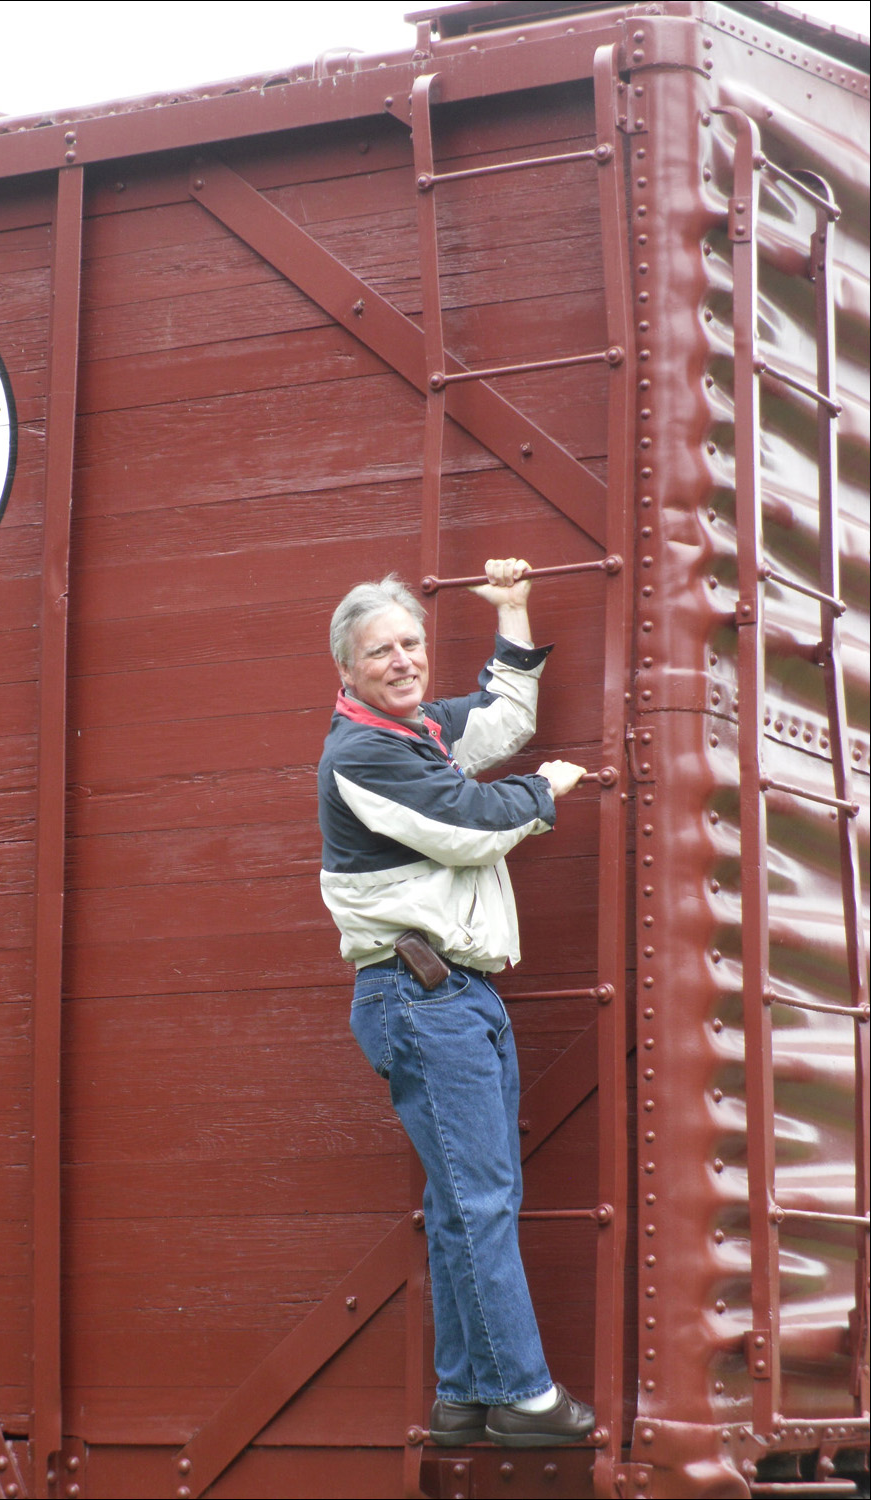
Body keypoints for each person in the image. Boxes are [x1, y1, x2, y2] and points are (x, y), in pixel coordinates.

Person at [317, 557, 595, 1448]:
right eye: (379, 652)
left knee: (462, 1201)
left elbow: (501, 718)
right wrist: (543, 792)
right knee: (478, 1198)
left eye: (411, 644)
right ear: (346, 672)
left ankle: (465, 1396)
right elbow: (471, 827)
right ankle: (520, 1396)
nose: (402, 661)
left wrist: (512, 610)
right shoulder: (363, 752)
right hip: (420, 997)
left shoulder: (416, 734)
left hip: (445, 995)